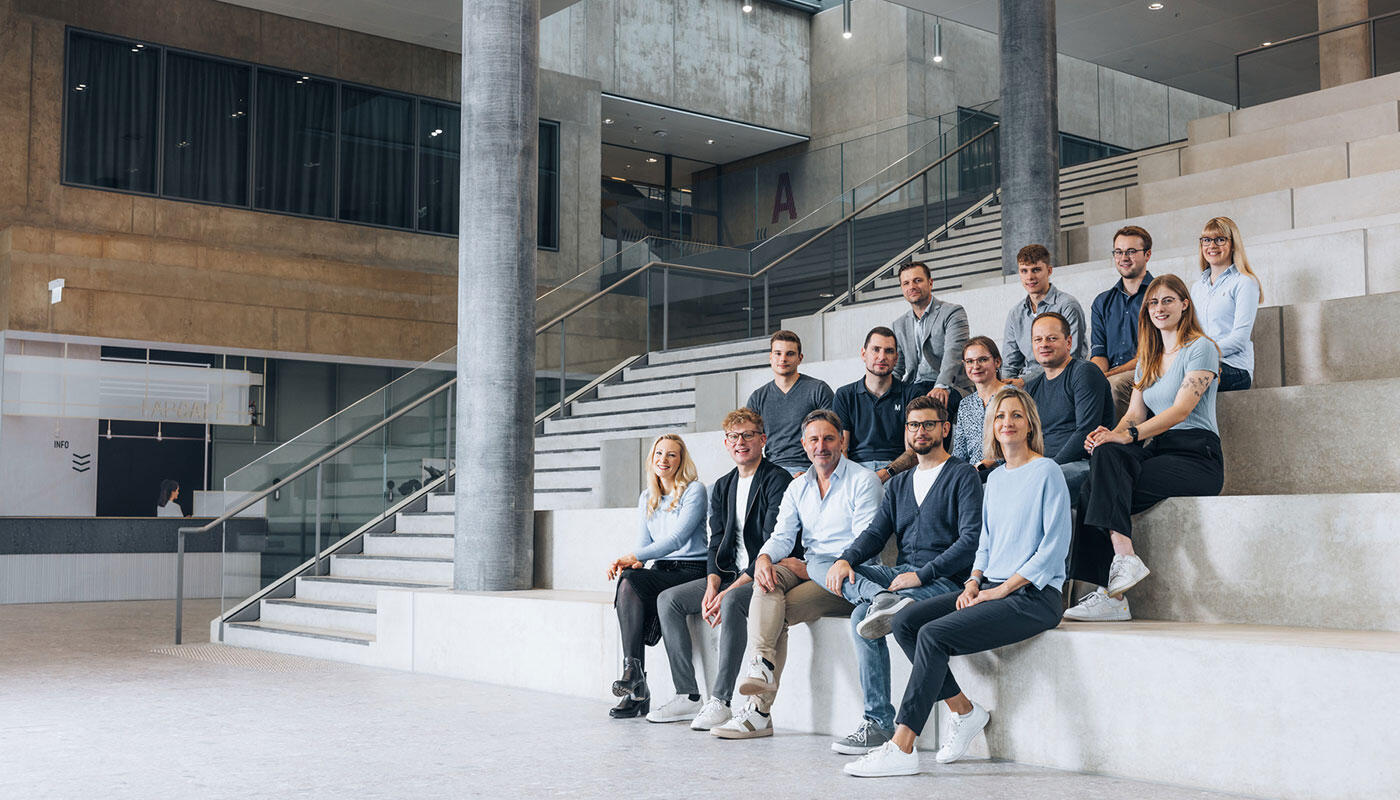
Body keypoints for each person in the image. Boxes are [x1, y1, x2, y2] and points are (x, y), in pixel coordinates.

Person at [842, 386, 1070, 777]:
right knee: (905, 622)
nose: (1007, 423)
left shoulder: (1047, 471)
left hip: (1033, 596)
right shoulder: (995, 479)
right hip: (990, 588)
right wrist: (973, 583)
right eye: (999, 417)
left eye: (1015, 415)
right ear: (991, 427)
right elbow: (984, 544)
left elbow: (1052, 549)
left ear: (1030, 423)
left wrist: (1000, 589)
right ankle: (964, 711)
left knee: (933, 635)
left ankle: (902, 744)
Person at [822, 396, 982, 756]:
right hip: (899, 577)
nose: (920, 431)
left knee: (861, 616)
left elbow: (971, 541)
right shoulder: (897, 484)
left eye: (928, 424)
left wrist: (922, 576)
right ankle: (878, 719)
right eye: (913, 425)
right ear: (906, 431)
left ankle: (880, 722)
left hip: (944, 581)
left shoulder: (963, 475)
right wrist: (845, 559)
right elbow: (875, 535)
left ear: (945, 428)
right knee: (840, 571)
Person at [710, 409, 882, 740]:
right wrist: (763, 557)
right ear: (804, 444)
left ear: (842, 441)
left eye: (829, 438)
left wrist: (813, 568)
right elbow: (783, 536)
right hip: (808, 569)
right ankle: (761, 664)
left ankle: (759, 713)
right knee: (768, 576)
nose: (822, 446)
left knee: (779, 612)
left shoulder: (863, 481)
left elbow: (865, 545)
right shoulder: (799, 486)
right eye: (814, 439)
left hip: (847, 576)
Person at [1064, 274, 1224, 622]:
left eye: (1168, 300)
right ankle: (1121, 564)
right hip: (1160, 450)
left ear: (1185, 304)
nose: (1159, 307)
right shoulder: (1148, 358)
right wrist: (1108, 434)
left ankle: (1114, 593)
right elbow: (1134, 415)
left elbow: (1180, 410)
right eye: (1153, 302)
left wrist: (1128, 436)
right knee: (1100, 468)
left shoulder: (1201, 348)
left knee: (1097, 487)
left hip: (1198, 456)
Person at [650, 409, 796, 731]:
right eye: (734, 436)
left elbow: (772, 542)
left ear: (763, 439)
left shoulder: (777, 479)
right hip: (729, 574)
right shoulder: (722, 485)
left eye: (747, 435)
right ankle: (688, 694)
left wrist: (726, 592)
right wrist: (713, 584)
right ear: (725, 443)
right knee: (668, 601)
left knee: (731, 602)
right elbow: (716, 541)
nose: (740, 442)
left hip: (765, 571)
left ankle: (721, 701)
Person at [605, 434, 709, 718]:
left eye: (672, 455)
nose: (664, 460)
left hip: (691, 570)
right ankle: (634, 676)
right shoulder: (646, 497)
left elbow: (677, 539)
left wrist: (635, 557)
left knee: (631, 576)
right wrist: (635, 561)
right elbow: (643, 544)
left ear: (681, 460)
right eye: (659, 454)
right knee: (628, 578)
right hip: (661, 570)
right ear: (651, 459)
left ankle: (636, 684)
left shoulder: (694, 491)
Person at [1024, 312, 1114, 501]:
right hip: (1042, 465)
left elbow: (1086, 432)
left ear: (1068, 342)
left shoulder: (1084, 372)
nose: (1044, 344)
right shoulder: (1032, 387)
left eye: (1052, 338)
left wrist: (1047, 468)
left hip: (1082, 463)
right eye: (1038, 339)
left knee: (1035, 486)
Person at [832, 327, 933, 482]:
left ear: (896, 358)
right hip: (856, 470)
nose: (882, 356)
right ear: (863, 354)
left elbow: (913, 450)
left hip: (897, 469)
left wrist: (887, 473)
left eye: (889, 351)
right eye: (876, 350)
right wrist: (850, 479)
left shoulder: (912, 394)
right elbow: (841, 448)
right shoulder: (844, 395)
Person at [745, 330, 835, 476]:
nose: (783, 359)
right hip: (771, 471)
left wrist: (816, 471)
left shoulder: (817, 389)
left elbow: (834, 434)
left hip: (810, 468)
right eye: (778, 353)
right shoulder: (758, 397)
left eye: (790, 353)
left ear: (800, 358)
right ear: (770, 357)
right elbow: (749, 441)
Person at [891, 259, 971, 421]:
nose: (911, 286)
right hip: (914, 385)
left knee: (932, 407)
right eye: (906, 283)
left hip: (950, 384)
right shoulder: (899, 325)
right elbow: (897, 367)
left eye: (917, 280)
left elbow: (954, 353)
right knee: (889, 408)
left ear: (930, 283)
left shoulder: (952, 312)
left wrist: (941, 386)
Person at [1090, 225, 1155, 419]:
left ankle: (1116, 446)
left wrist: (1108, 376)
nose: (1124, 258)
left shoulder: (1160, 295)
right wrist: (1095, 376)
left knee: (1114, 386)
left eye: (1131, 252)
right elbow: (1099, 353)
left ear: (1148, 254)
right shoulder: (1102, 302)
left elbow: (1150, 356)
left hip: (1148, 371)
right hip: (1112, 374)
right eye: (1118, 252)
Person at [1190, 216, 1261, 392]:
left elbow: (1239, 339)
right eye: (1206, 240)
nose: (1211, 246)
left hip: (1234, 368)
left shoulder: (1245, 282)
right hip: (1200, 363)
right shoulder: (1197, 287)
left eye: (1220, 240)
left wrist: (1200, 354)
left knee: (1182, 381)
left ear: (1233, 244)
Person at [1000, 243, 1087, 384]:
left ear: (1049, 270)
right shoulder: (1015, 314)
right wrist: (1006, 387)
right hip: (1026, 383)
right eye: (1024, 271)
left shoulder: (1067, 305)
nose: (1030, 277)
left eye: (1036, 270)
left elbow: (1071, 356)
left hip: (1063, 378)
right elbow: (1010, 364)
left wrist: (1025, 381)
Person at [950, 336, 1008, 479]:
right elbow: (959, 453)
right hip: (972, 476)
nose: (975, 366)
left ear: (997, 362)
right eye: (969, 361)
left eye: (982, 359)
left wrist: (981, 466)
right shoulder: (965, 404)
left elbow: (1019, 442)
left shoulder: (1012, 396)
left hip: (1005, 471)